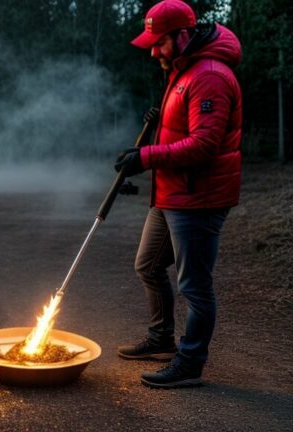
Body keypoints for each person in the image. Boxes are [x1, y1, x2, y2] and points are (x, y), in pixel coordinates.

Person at [114, 0, 242, 389]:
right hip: (171, 194)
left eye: (160, 43)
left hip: (199, 199)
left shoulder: (210, 76)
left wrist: (146, 157)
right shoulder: (182, 69)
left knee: (194, 286)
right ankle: (161, 339)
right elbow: (181, 129)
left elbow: (203, 145)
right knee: (148, 265)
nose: (154, 51)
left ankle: (190, 362)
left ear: (183, 35)